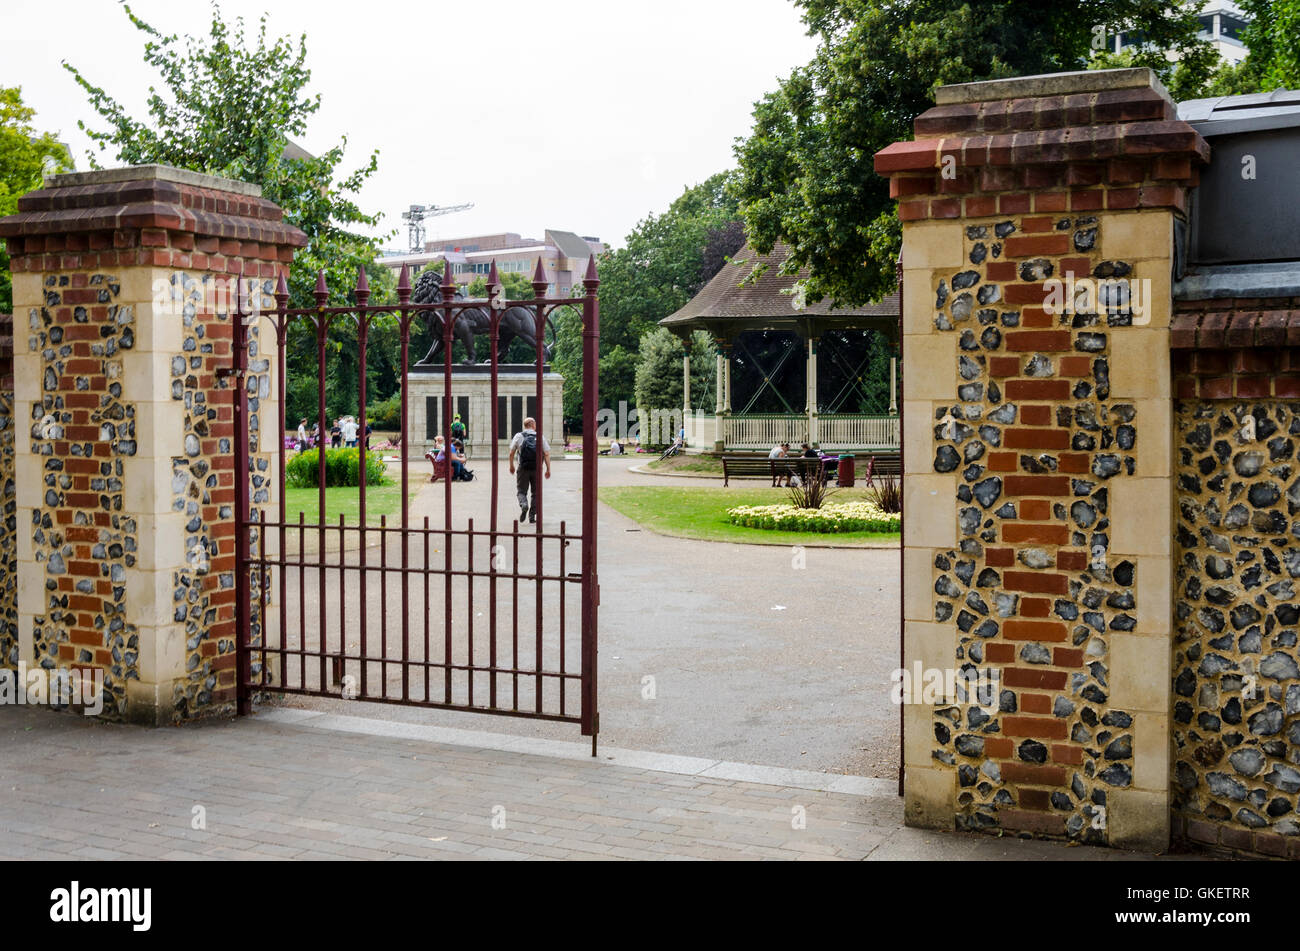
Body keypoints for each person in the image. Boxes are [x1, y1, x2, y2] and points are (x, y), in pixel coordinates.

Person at [508, 417, 551, 523]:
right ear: (532, 424)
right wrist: (548, 469)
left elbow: (511, 452)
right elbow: (546, 453)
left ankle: (524, 504)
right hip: (537, 468)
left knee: (521, 491)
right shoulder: (540, 436)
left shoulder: (519, 436)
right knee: (536, 493)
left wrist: (511, 466)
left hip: (523, 468)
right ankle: (532, 517)